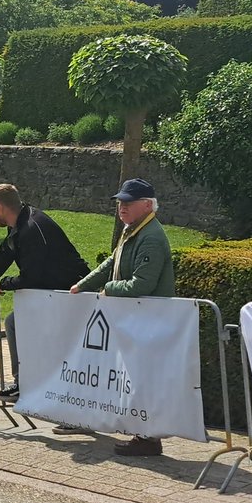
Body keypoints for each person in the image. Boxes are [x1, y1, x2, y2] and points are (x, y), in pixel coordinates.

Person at [70, 178, 175, 457]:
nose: (121, 207)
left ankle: (148, 438)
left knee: (143, 379)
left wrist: (107, 289)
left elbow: (143, 285)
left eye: (128, 203)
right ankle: (142, 434)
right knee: (134, 377)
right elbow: (111, 263)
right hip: (135, 320)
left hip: (148, 321)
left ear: (147, 205)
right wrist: (83, 285)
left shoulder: (150, 236)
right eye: (120, 202)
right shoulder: (134, 230)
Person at [0, 184, 89, 400]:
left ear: (1, 208)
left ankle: (29, 386)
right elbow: (4, 254)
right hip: (53, 293)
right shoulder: (19, 223)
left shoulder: (32, 228)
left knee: (16, 323)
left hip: (70, 294)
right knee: (15, 322)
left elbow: (32, 277)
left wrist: (5, 283)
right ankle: (23, 383)